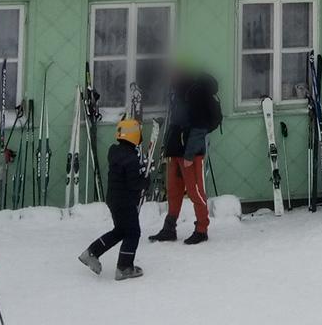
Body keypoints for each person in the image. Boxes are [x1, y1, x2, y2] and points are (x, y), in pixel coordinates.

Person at [149, 63, 220, 244]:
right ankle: (169, 228)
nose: (169, 78)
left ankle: (202, 229)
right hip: (176, 151)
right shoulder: (178, 94)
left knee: (196, 192)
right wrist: (169, 148)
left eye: (172, 74)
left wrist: (189, 155)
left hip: (191, 154)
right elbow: (176, 123)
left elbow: (200, 126)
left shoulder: (194, 94)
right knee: (174, 191)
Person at [77, 116, 148, 280]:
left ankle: (91, 252)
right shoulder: (131, 159)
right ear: (134, 136)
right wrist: (145, 181)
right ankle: (124, 267)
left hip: (114, 199)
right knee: (132, 233)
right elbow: (133, 183)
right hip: (125, 201)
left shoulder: (115, 152)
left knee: (120, 231)